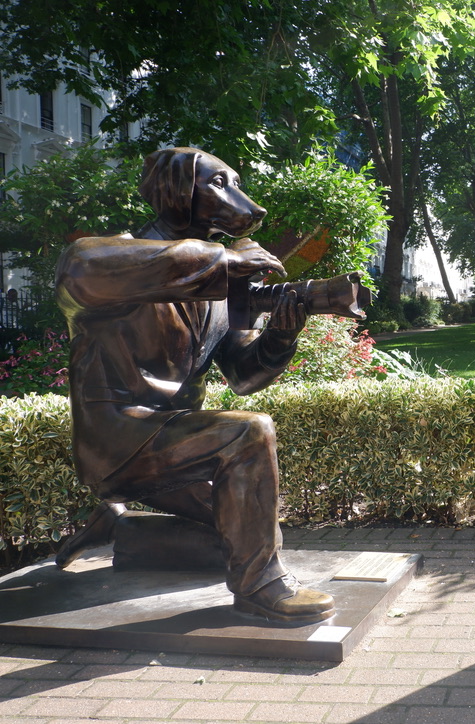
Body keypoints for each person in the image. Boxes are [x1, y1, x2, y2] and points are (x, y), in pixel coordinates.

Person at [53, 147, 334, 623]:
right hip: (116, 439)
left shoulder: (220, 285)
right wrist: (224, 260)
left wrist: (281, 336)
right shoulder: (112, 262)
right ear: (176, 191)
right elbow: (78, 267)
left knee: (245, 531)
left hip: (174, 444)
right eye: (219, 184)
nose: (247, 203)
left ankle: (122, 528)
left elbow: (244, 377)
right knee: (250, 432)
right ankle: (260, 587)